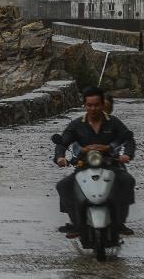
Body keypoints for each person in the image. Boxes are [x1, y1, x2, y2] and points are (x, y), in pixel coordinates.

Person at [54, 86, 135, 237]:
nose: (93, 108)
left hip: (111, 165)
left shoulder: (114, 122)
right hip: (83, 166)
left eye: (96, 105)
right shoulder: (77, 125)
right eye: (89, 105)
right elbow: (62, 143)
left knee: (127, 181)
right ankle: (76, 223)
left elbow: (128, 139)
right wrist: (60, 157)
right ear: (84, 105)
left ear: (102, 104)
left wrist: (127, 155)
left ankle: (119, 222)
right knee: (63, 186)